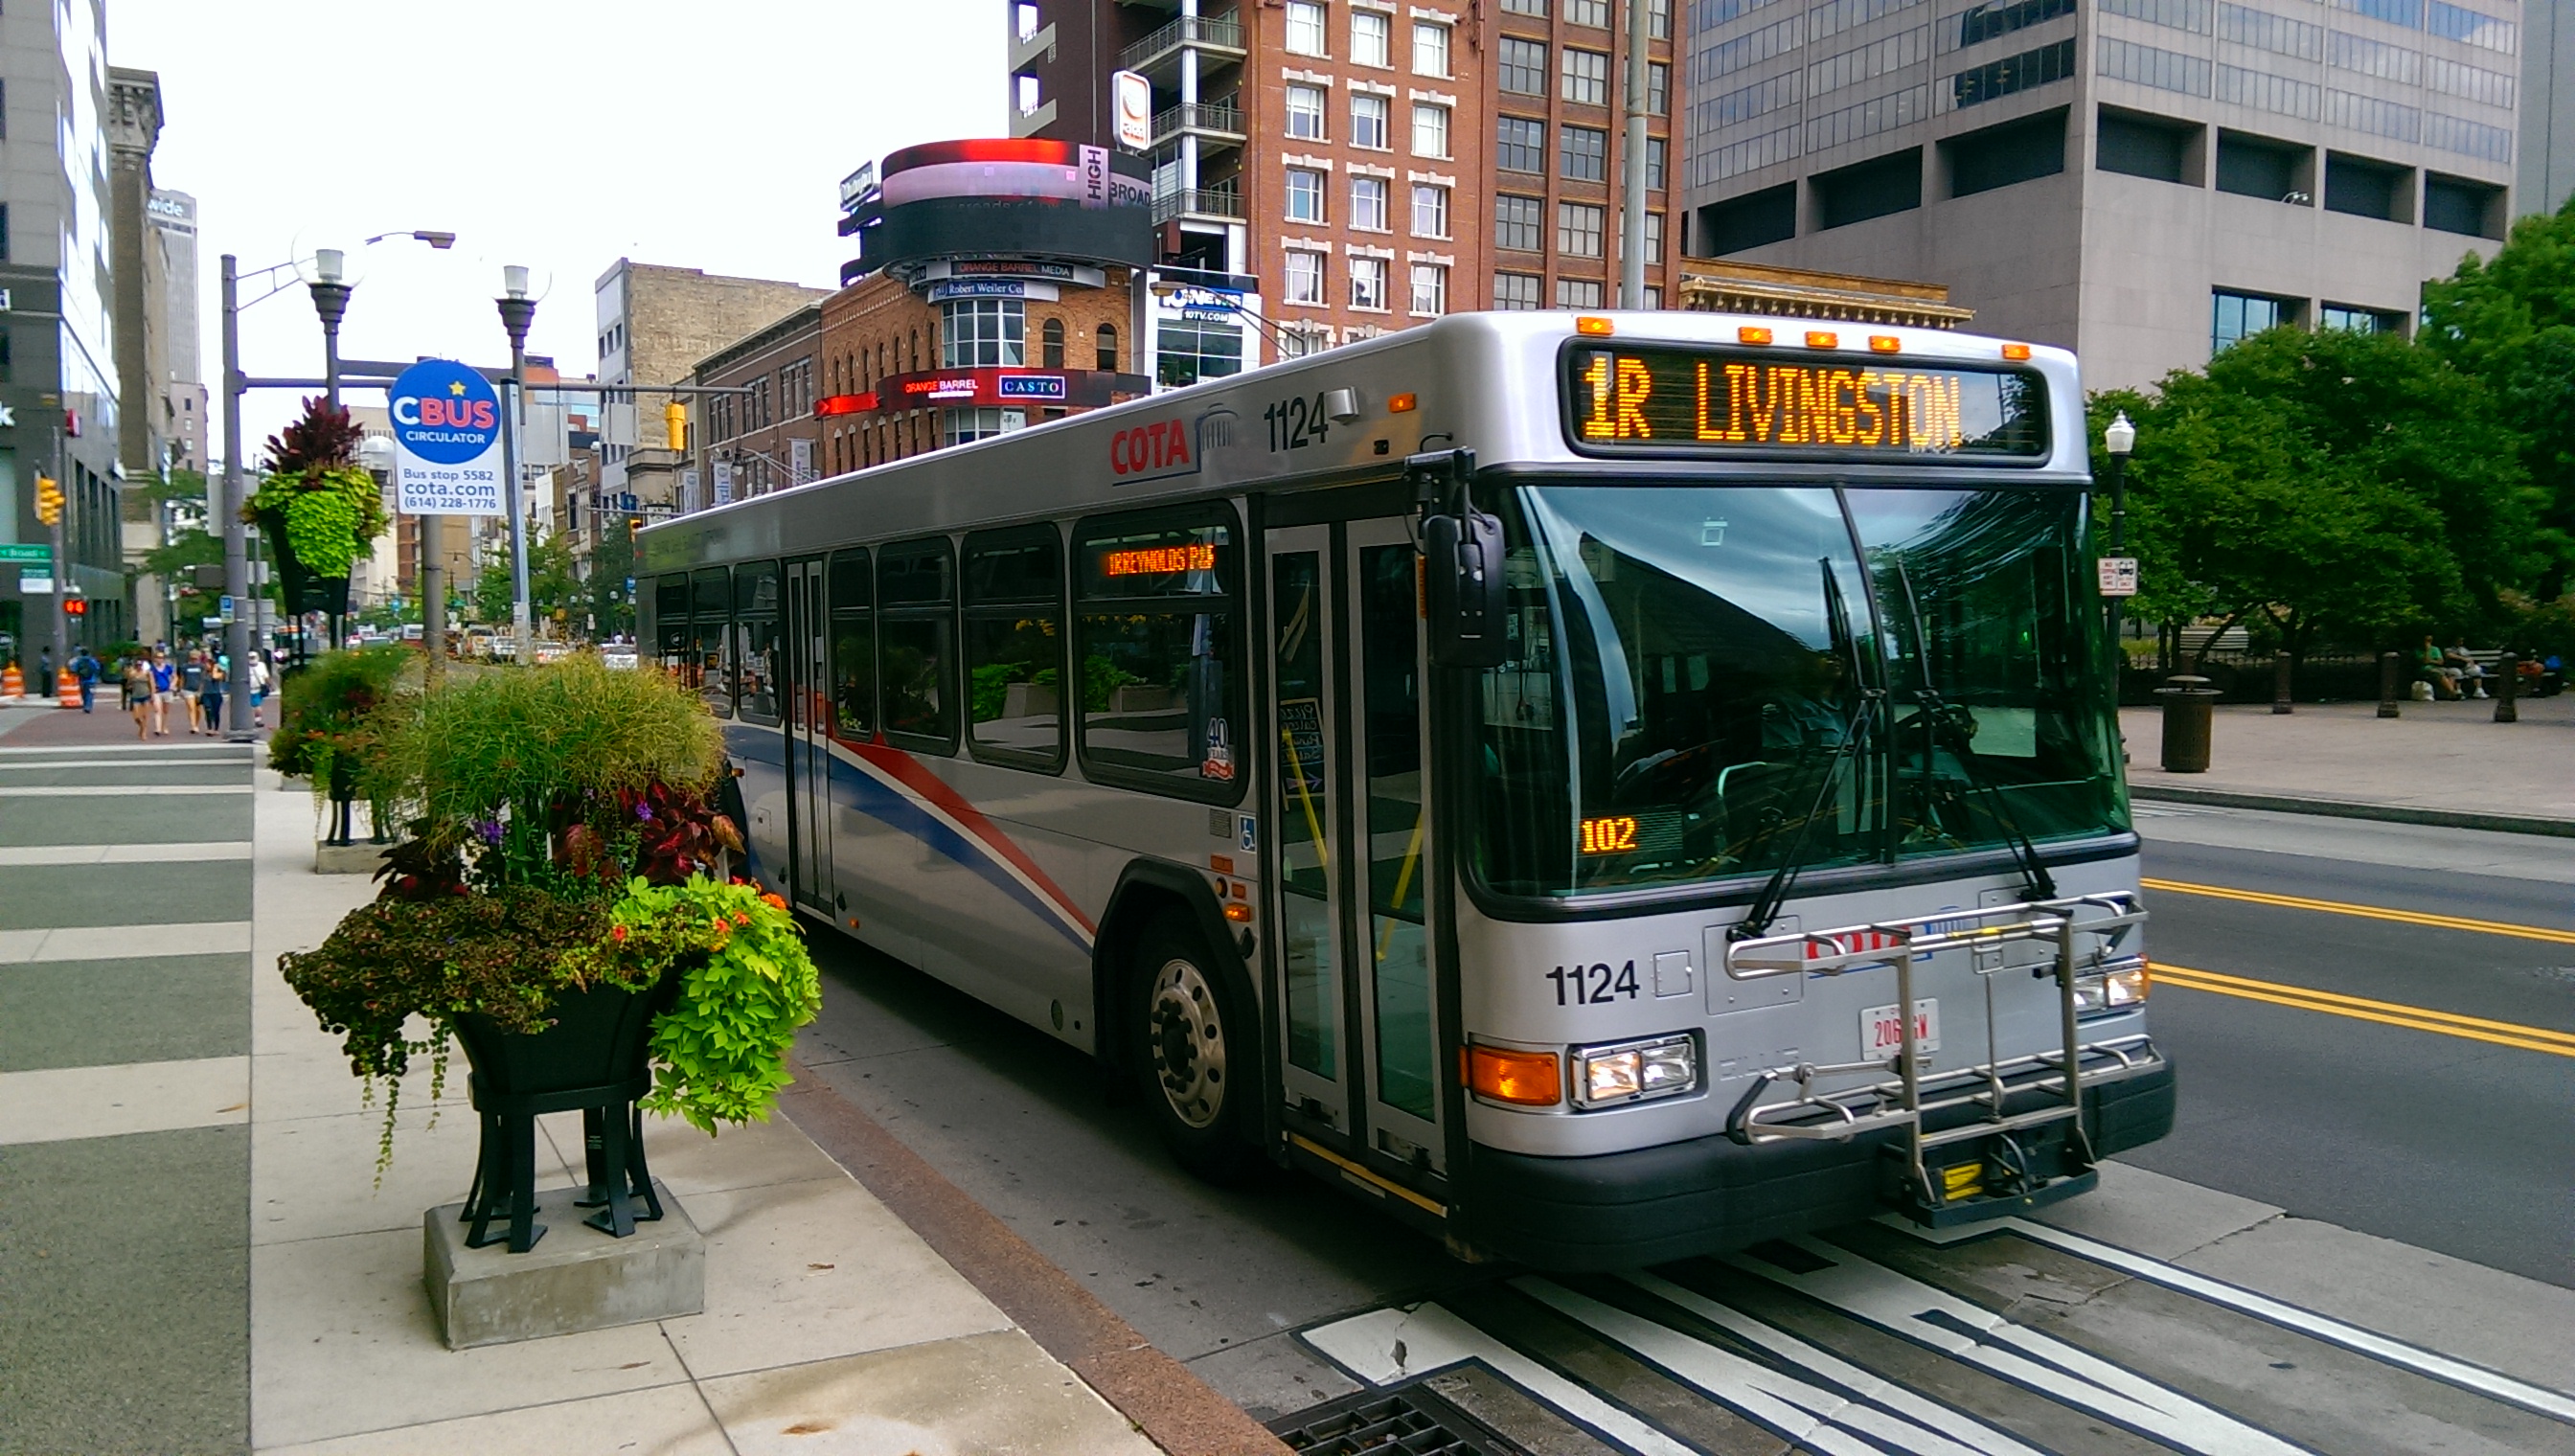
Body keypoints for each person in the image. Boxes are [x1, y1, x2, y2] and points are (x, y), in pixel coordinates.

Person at [2417, 636, 2458, 700]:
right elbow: (2425, 661)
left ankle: (2450, 694)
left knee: (2451, 673)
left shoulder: (2435, 649)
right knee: (2440, 673)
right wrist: (2427, 650)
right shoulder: (2418, 651)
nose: (2428, 643)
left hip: (2438, 667)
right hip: (2426, 669)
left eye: (2429, 641)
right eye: (2426, 641)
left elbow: (2441, 662)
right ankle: (2453, 692)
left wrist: (2431, 661)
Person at [122, 656, 151, 740]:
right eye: (137, 665)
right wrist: (130, 686)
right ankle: (141, 727)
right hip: (136, 696)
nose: (139, 667)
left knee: (145, 715)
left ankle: (144, 732)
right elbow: (128, 684)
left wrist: (152, 694)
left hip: (145, 694)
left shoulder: (146, 673)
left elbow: (150, 683)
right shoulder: (132, 674)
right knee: (136, 717)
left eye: (140, 665)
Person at [179, 648, 208, 733]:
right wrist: (181, 689)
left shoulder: (202, 666)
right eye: (192, 658)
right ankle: (193, 725)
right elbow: (182, 678)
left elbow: (203, 679)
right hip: (188, 689)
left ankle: (196, 723)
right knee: (191, 708)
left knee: (198, 709)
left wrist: (201, 690)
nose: (194, 660)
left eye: (196, 658)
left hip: (198, 689)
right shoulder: (185, 667)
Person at [148, 648, 176, 736]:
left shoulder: (168, 667)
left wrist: (172, 684)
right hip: (157, 691)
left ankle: (164, 726)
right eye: (158, 657)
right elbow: (151, 680)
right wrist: (152, 693)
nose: (159, 659)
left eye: (161, 657)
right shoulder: (152, 668)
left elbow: (175, 677)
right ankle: (158, 728)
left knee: (166, 710)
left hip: (167, 691)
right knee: (157, 709)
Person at [200, 655, 226, 736]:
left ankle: (216, 728)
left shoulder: (220, 673)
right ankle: (209, 728)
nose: (206, 666)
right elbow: (202, 683)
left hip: (216, 694)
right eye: (206, 664)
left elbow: (215, 677)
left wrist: (215, 668)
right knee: (208, 710)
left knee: (215, 712)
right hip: (206, 694)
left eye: (208, 664)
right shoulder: (204, 673)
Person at [70, 646, 99, 713]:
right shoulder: (92, 660)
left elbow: (74, 669)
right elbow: (97, 668)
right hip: (91, 680)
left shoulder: (78, 661)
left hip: (82, 680)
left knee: (83, 693)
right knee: (90, 694)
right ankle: (88, 706)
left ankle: (85, 705)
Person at [249, 650, 272, 728]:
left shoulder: (261, 665)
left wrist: (269, 685)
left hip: (257, 689)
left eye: (253, 657)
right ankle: (256, 720)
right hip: (247, 690)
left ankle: (257, 720)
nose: (252, 659)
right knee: (256, 706)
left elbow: (266, 676)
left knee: (257, 706)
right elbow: (266, 677)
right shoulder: (245, 666)